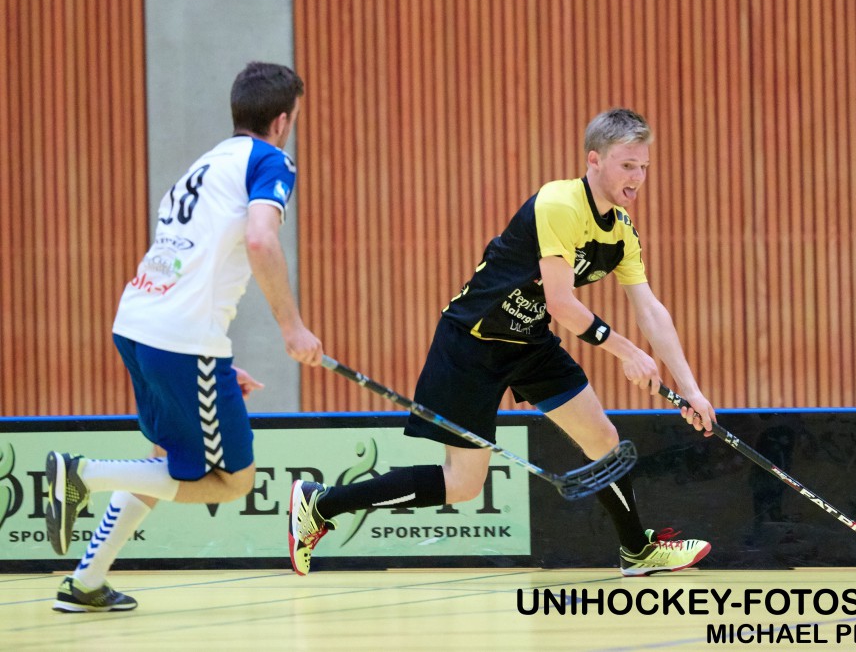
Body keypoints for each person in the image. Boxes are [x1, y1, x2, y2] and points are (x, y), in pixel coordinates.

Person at [288, 108, 716, 577]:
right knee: (463, 483)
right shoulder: (560, 204)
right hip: (471, 343)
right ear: (594, 160)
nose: (637, 178)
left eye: (644, 167)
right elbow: (561, 304)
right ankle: (321, 504)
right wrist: (628, 352)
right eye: (627, 165)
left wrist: (691, 391)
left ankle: (636, 551)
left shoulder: (621, 232)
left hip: (528, 341)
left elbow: (650, 309)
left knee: (603, 439)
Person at [45, 61, 323, 612]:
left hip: (139, 325)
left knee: (162, 458)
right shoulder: (270, 160)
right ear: (283, 120)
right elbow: (261, 240)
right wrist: (292, 328)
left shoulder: (206, 164)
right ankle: (83, 474)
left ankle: (86, 582)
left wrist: (214, 367)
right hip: (181, 339)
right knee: (234, 481)